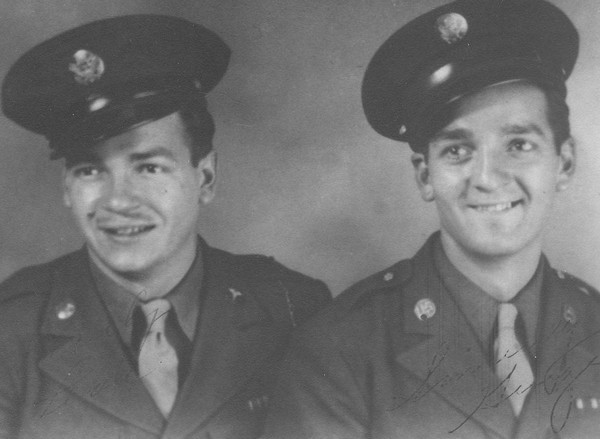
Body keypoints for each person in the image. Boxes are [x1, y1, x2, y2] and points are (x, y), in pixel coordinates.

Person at [263, 0, 600, 438]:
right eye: (457, 150)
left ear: (565, 163)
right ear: (425, 176)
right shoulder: (340, 349)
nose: (487, 178)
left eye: (519, 145)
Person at [0, 15, 330, 439]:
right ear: (67, 188)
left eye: (149, 167)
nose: (118, 201)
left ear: (205, 178)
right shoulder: (11, 331)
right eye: (89, 170)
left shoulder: (293, 309)